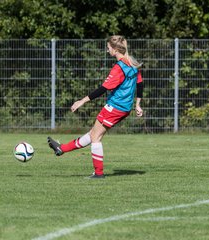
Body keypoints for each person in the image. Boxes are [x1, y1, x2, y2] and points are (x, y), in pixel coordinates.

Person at [48, 35, 144, 179]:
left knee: (95, 137)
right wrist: (138, 104)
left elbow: (102, 89)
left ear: (116, 49)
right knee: (94, 133)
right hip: (124, 108)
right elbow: (140, 84)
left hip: (115, 107)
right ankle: (61, 149)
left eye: (108, 48)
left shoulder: (119, 68)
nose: (107, 51)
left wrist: (82, 101)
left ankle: (98, 173)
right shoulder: (132, 63)